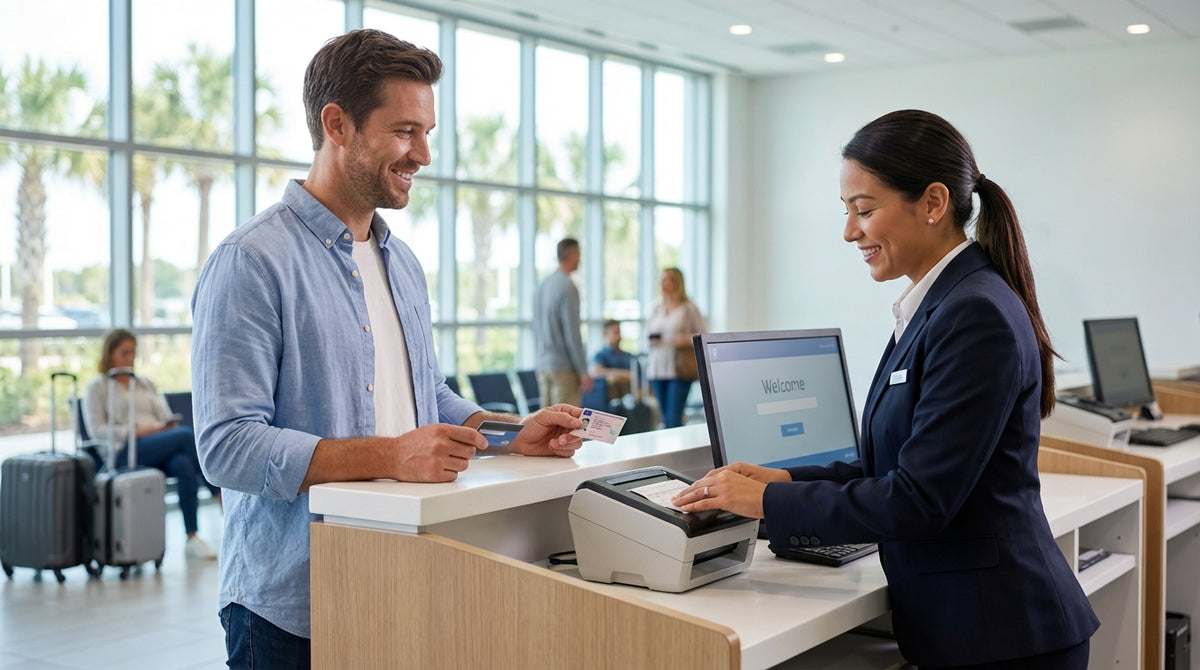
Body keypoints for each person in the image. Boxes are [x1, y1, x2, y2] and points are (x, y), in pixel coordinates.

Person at [190, 29, 585, 668]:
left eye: (427, 132)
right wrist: (392, 456)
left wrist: (509, 435)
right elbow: (227, 445)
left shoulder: (401, 262)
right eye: (405, 131)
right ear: (337, 124)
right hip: (291, 608)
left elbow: (425, 395)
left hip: (398, 583)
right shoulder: (251, 261)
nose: (423, 153)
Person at [673, 110, 1098, 669]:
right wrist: (786, 478)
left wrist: (768, 503)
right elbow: (893, 464)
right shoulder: (943, 304)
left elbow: (921, 499)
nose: (851, 232)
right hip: (982, 626)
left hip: (1003, 635)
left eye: (864, 210)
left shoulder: (972, 314)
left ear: (933, 203)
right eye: (847, 212)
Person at [84, 329, 219, 560]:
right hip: (124, 452)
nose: (130, 359)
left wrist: (162, 427)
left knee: (184, 464)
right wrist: (142, 431)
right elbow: (98, 430)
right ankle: (220, 494)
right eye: (124, 353)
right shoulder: (98, 386)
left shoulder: (144, 383)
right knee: (187, 436)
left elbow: (165, 416)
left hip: (159, 445)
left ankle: (192, 536)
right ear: (109, 354)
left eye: (133, 353)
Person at [532, 238, 593, 407]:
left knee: (546, 426)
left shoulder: (542, 285)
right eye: (579, 255)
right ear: (571, 255)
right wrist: (582, 371)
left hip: (543, 365)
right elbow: (572, 333)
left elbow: (536, 327)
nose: (580, 259)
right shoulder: (568, 286)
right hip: (564, 368)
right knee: (567, 426)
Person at [644, 268, 706, 428]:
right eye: (661, 279)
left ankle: (678, 452)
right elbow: (647, 333)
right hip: (657, 368)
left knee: (673, 419)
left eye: (667, 279)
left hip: (679, 369)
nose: (663, 283)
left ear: (677, 282)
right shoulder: (656, 308)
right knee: (664, 419)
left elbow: (703, 335)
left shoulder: (688, 308)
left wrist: (685, 339)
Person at [591, 319, 635, 400]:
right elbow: (595, 371)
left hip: (633, 395)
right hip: (611, 398)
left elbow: (636, 375)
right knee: (612, 379)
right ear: (605, 334)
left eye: (619, 332)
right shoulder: (600, 355)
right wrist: (623, 375)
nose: (619, 336)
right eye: (615, 333)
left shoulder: (628, 356)